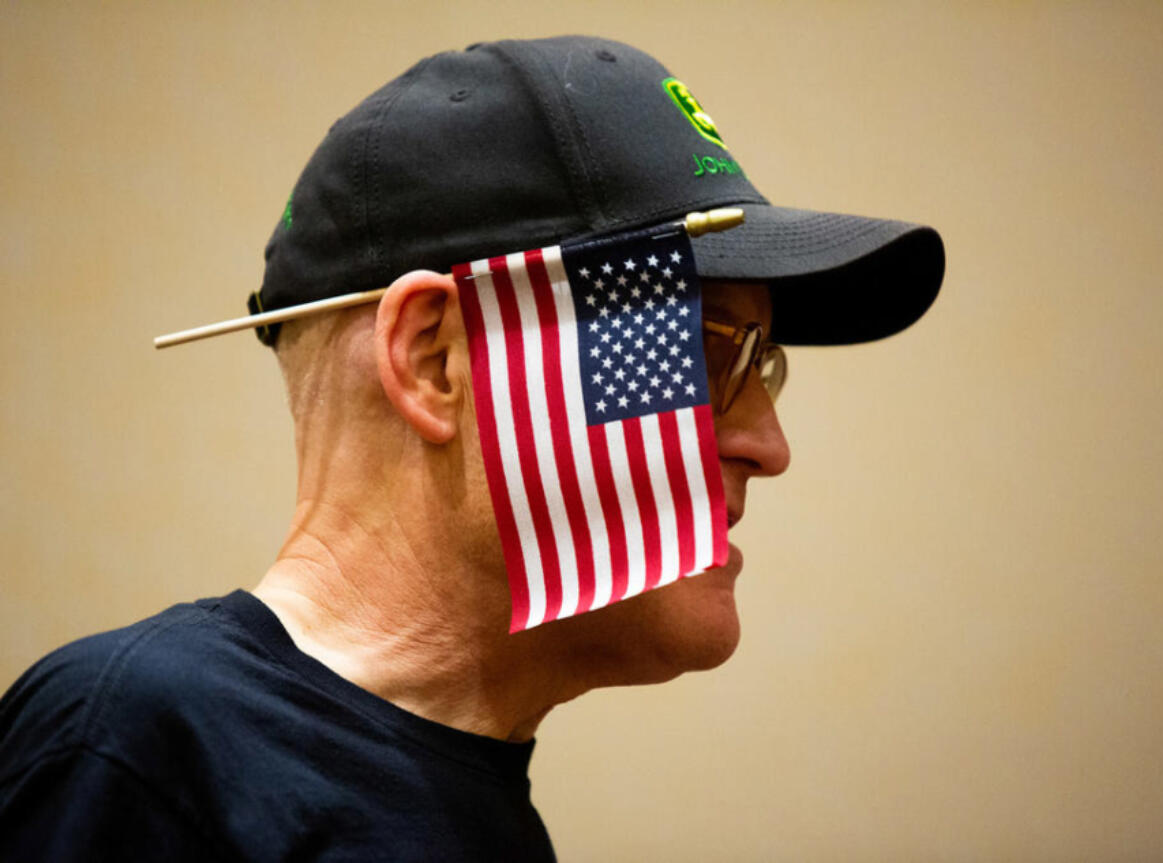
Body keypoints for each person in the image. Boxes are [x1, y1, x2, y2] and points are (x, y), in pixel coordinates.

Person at [0, 35, 943, 861]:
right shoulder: (136, 749)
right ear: (433, 358)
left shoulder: (472, 805)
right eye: (698, 352)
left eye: (759, 367)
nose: (767, 445)